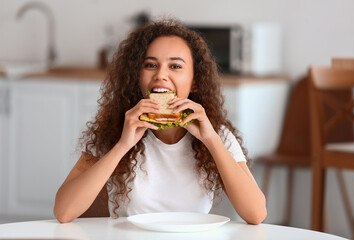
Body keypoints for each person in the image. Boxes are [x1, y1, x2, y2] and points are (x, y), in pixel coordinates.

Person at [53, 18, 267, 224]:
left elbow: (256, 214)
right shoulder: (115, 130)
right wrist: (122, 146)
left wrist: (211, 139)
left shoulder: (216, 134)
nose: (161, 75)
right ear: (137, 76)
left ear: (195, 82)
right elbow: (64, 212)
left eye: (175, 66)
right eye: (150, 65)